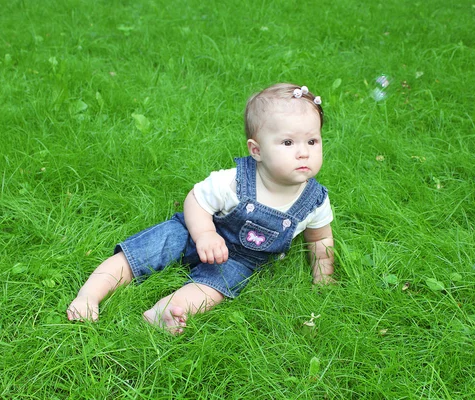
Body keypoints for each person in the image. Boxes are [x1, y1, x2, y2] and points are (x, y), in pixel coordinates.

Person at [67, 83, 335, 333]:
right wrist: (204, 234)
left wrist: (323, 276)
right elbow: (196, 199)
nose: (303, 152)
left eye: (312, 141)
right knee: (144, 251)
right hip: (193, 231)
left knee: (212, 288)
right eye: (288, 143)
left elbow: (320, 239)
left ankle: (168, 310)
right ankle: (89, 295)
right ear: (256, 150)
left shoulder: (314, 201)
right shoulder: (234, 181)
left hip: (238, 258)